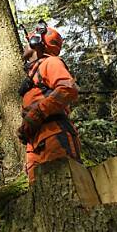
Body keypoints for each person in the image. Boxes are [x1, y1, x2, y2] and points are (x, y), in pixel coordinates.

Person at [18, 22, 82, 182]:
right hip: (35, 143)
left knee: (66, 184)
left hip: (55, 134)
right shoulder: (33, 75)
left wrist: (38, 113)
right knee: (40, 195)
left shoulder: (51, 62)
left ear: (37, 42)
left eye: (29, 42)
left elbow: (68, 89)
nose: (25, 46)